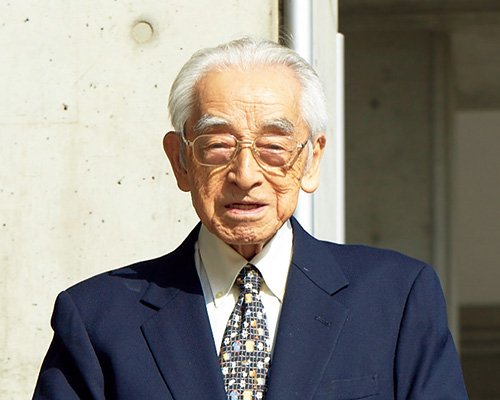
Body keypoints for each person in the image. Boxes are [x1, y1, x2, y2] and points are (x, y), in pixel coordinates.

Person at [34, 37, 468, 399]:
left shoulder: (395, 298)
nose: (245, 175)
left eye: (273, 147)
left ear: (312, 160)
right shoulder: (97, 317)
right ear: (180, 161)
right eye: (218, 145)